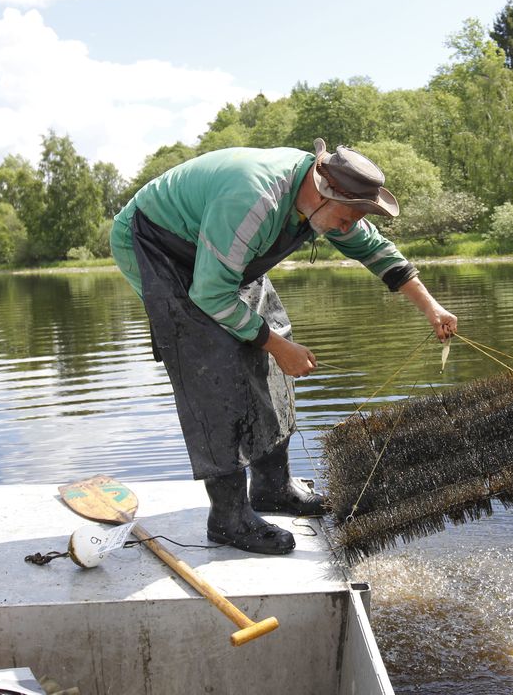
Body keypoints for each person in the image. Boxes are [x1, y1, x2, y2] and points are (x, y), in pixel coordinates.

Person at [110, 139, 457, 555]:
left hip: (219, 248)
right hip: (157, 244)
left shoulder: (327, 197)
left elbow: (371, 246)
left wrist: (431, 307)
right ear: (322, 194)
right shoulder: (253, 203)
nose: (346, 229)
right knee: (214, 363)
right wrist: (275, 346)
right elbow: (210, 294)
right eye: (344, 220)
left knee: (271, 340)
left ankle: (272, 488)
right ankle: (228, 519)